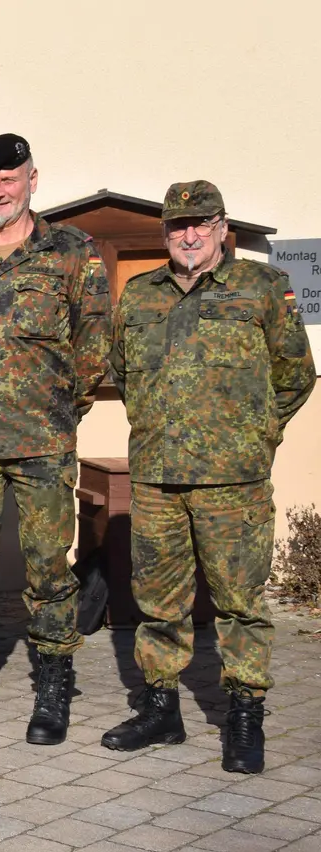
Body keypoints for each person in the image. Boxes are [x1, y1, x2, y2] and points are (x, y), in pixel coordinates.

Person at [102, 181, 315, 775]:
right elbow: (122, 369)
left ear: (224, 226)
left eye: (200, 223)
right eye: (177, 226)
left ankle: (244, 716)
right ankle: (161, 708)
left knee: (240, 601)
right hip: (157, 479)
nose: (189, 235)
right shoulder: (140, 294)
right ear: (165, 233)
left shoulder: (262, 289)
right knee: (158, 601)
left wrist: (257, 435)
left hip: (234, 481)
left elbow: (296, 375)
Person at [0, 134, 112, 744]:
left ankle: (53, 684)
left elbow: (94, 343)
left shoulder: (71, 251)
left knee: (47, 568)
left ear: (33, 179)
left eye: (9, 179)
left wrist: (61, 409)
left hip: (43, 441)